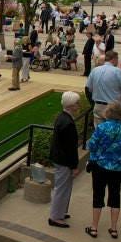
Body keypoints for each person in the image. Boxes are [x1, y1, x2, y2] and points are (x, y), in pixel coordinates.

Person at [85, 101, 121, 239]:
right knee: (115, 194)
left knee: (98, 194)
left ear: (108, 113)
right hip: (118, 167)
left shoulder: (101, 127)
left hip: (100, 166)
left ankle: (94, 227)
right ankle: (113, 228)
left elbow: (92, 145)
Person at [48, 92, 81, 228]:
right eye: (77, 103)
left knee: (64, 187)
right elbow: (70, 148)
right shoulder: (67, 123)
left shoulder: (62, 118)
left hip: (60, 158)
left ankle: (60, 212)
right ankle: (55, 217)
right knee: (62, 188)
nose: (79, 105)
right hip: (64, 161)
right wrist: (74, 166)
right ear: (71, 105)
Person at [86, 51, 121, 124]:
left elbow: (89, 88)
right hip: (113, 107)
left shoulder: (95, 70)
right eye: (117, 59)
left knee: (99, 131)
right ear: (114, 59)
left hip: (98, 105)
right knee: (113, 131)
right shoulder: (117, 71)